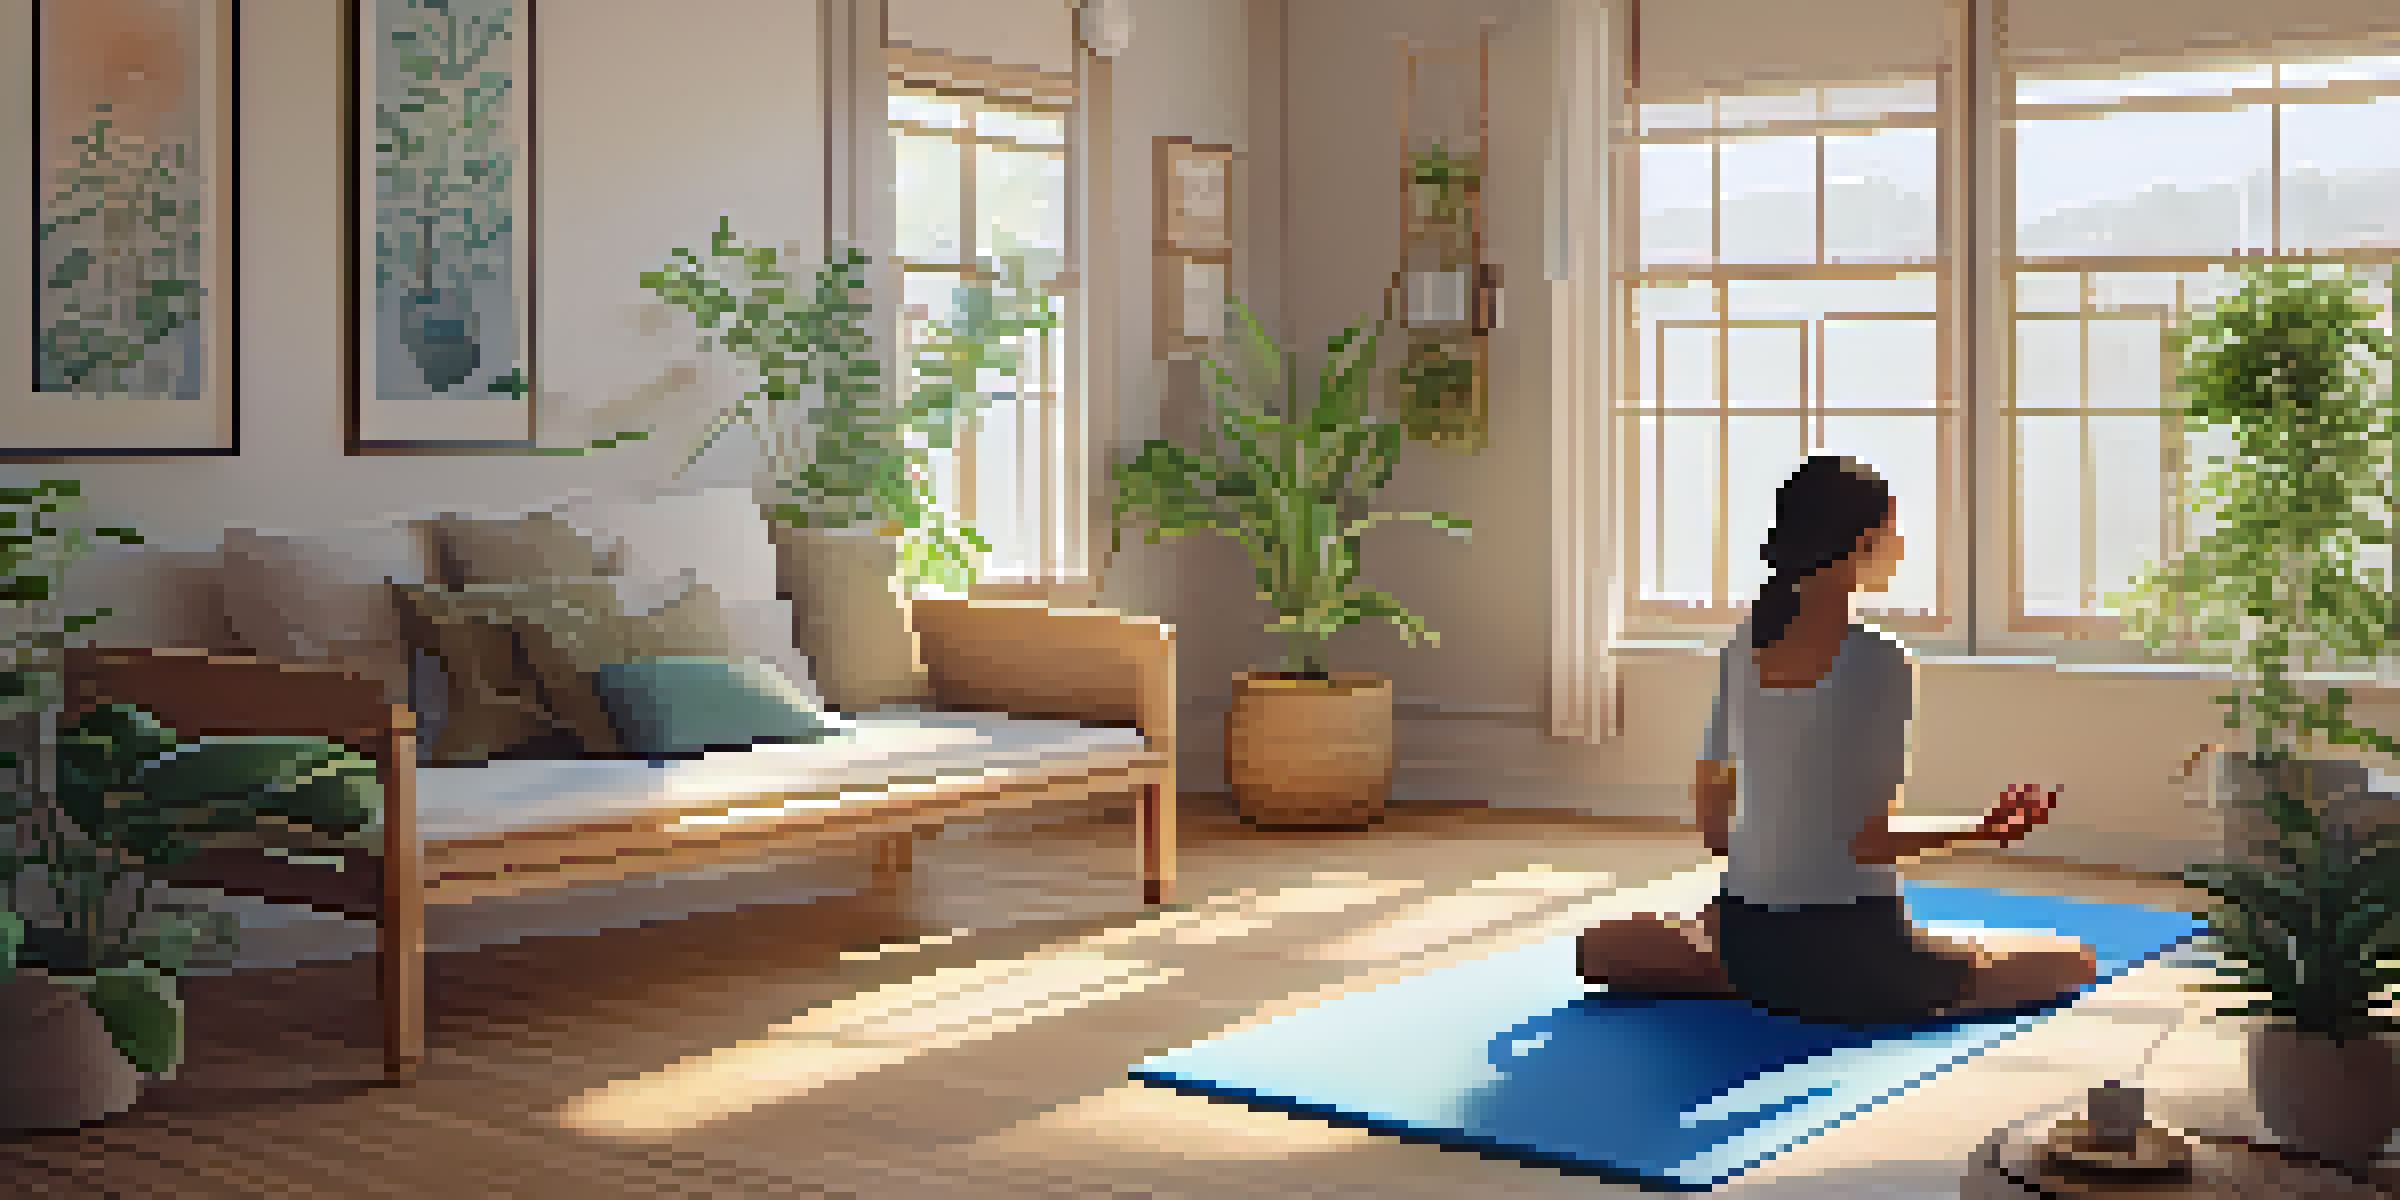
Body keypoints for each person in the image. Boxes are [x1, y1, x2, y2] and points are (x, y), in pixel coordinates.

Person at [1576, 455, 2099, 1025]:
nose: (1900, 547)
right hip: (1847, 950)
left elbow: (1715, 829)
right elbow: (1867, 842)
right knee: (2071, 960)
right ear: (1862, 544)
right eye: (1892, 532)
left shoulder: (1742, 647)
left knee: (1605, 947)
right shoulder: (1879, 661)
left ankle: (1739, 974)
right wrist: (1982, 830)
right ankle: (1807, 980)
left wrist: (1772, 870)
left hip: (1747, 935)